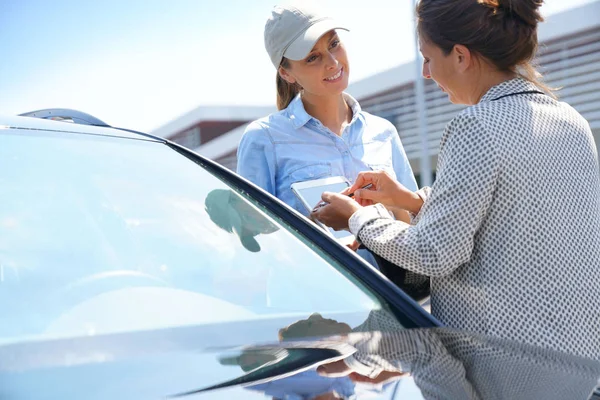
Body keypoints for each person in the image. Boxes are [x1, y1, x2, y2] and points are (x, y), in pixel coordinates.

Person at [312, 0, 600, 361]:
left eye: (428, 59)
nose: (426, 74)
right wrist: (410, 200)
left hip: (502, 365)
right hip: (579, 363)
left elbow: (433, 253)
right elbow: (510, 210)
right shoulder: (571, 121)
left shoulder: (475, 125)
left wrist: (356, 218)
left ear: (461, 56)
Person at [236, 4, 417, 263]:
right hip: (313, 297)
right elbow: (252, 239)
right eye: (312, 57)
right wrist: (315, 235)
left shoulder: (383, 132)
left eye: (333, 44)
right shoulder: (264, 138)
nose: (333, 63)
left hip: (390, 293)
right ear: (286, 72)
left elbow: (411, 221)